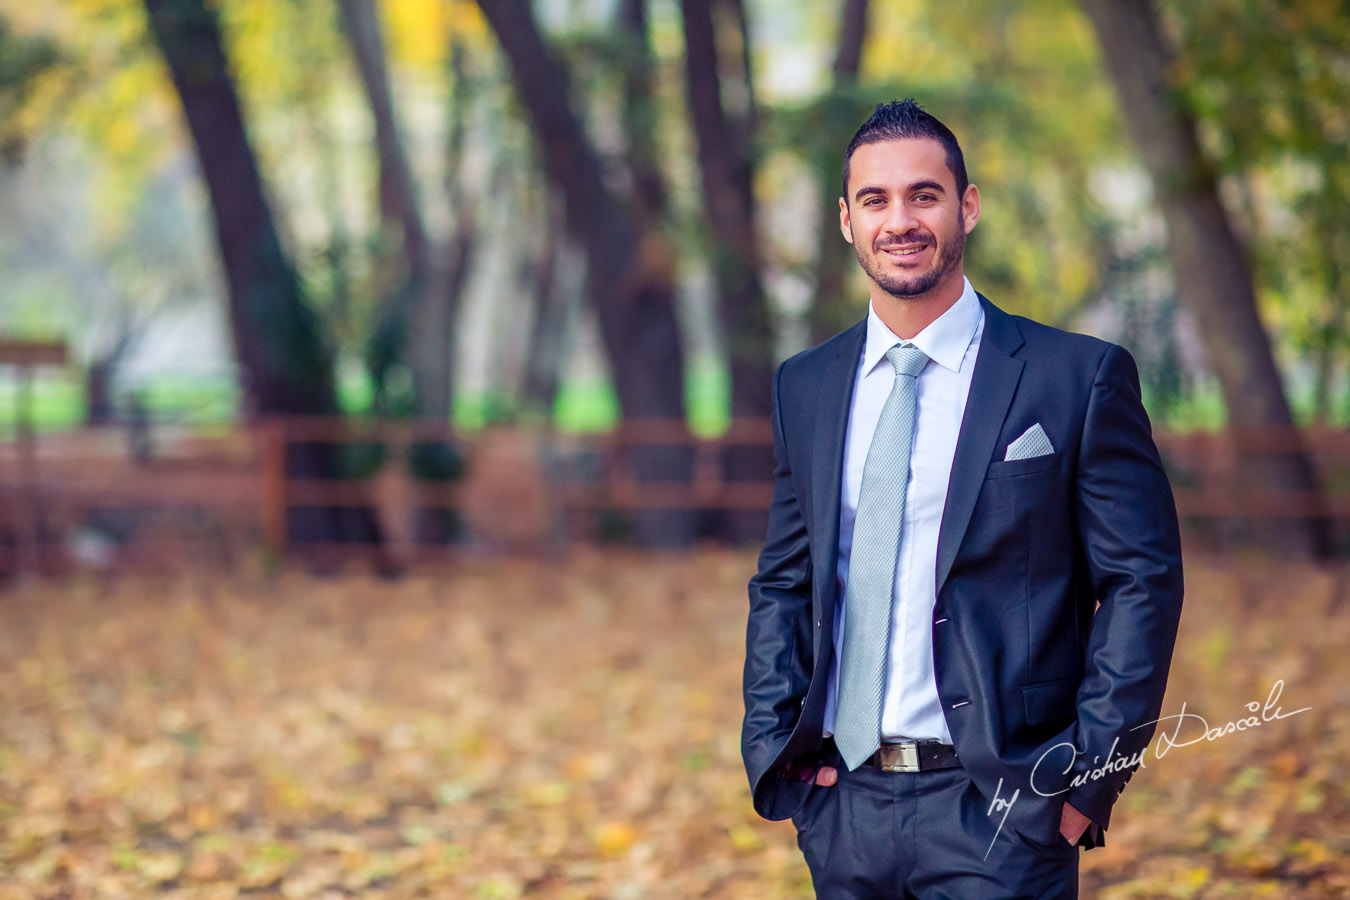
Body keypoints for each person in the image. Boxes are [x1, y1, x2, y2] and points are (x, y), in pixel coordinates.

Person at [741, 99, 1184, 899]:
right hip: (844, 808)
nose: (899, 220)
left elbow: (1141, 583)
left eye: (925, 195)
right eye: (875, 200)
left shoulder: (1073, 378)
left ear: (966, 207)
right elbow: (784, 578)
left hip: (1005, 807)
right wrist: (773, 742)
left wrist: (1087, 781)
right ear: (846, 221)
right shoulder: (804, 387)